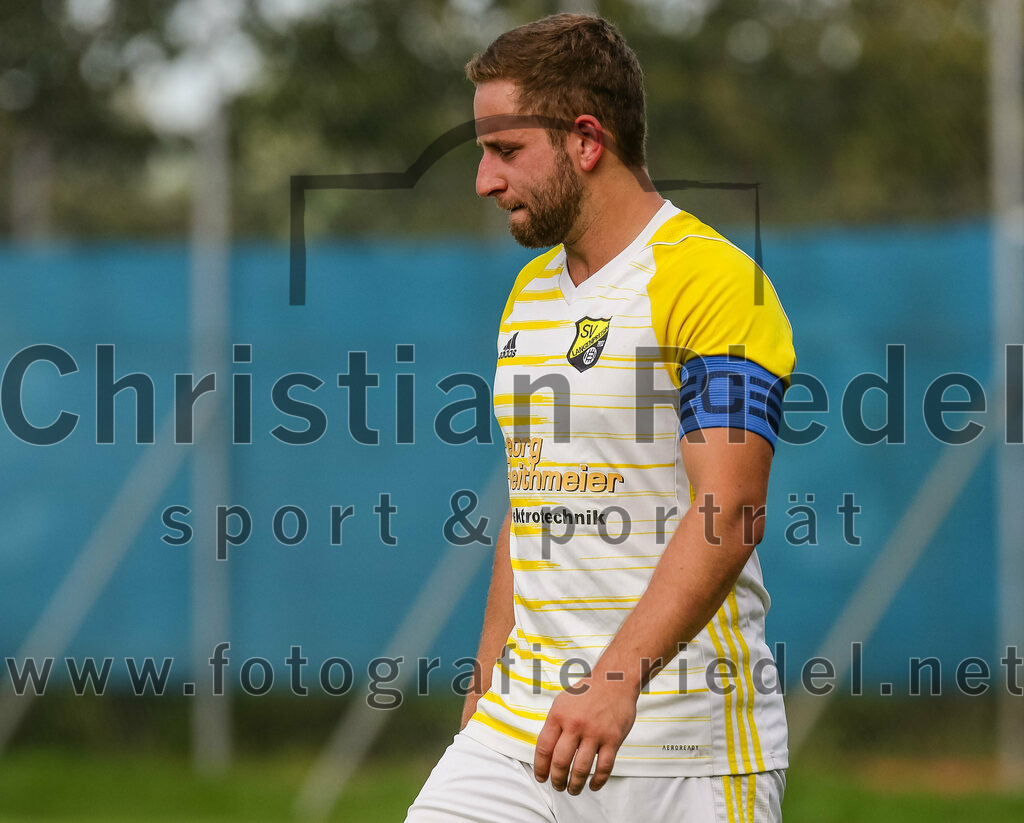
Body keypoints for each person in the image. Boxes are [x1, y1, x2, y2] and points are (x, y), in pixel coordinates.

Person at [406, 13, 795, 823]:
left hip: (687, 752)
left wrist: (615, 682)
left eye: (504, 150)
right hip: (521, 731)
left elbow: (732, 508)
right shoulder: (529, 294)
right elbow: (532, 496)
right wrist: (488, 680)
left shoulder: (713, 281)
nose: (483, 178)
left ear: (586, 140)